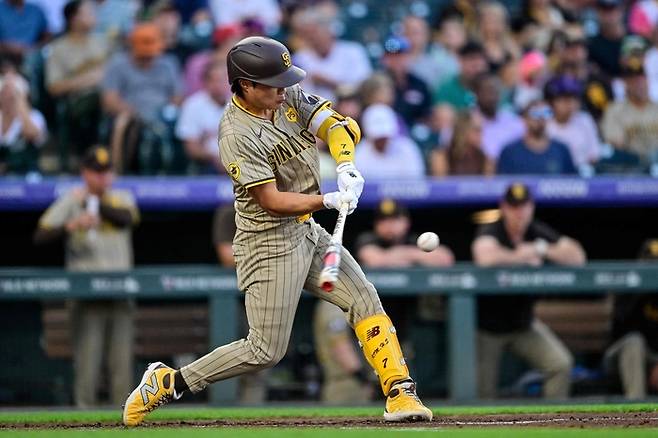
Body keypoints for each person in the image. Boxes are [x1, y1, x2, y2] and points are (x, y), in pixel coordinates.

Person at [123, 36, 433, 426]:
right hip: (267, 239)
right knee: (265, 350)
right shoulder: (235, 133)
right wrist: (328, 201)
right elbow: (270, 199)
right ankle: (170, 382)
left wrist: (346, 166)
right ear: (245, 85)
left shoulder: (284, 94)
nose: (282, 89)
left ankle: (400, 392)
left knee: (365, 299)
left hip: (306, 229)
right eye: (272, 82)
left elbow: (336, 125)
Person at [33, 146, 139, 407]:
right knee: (87, 364)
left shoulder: (120, 198)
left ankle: (124, 418)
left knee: (121, 365)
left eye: (106, 172)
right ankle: (83, 419)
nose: (102, 178)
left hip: (119, 291)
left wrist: (95, 204)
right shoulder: (71, 199)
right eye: (96, 172)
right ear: (84, 173)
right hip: (86, 294)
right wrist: (70, 225)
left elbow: (127, 219)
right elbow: (40, 236)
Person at [472, 182, 585, 399]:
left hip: (524, 324)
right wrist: (521, 257)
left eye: (523, 206)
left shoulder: (536, 231)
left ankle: (555, 423)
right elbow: (484, 256)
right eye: (514, 206)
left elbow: (577, 256)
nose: (519, 212)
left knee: (560, 364)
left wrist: (539, 248)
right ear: (503, 207)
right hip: (487, 328)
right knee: (481, 393)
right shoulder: (493, 228)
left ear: (531, 207)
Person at [46, 0, 110, 164]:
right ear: (73, 19)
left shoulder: (102, 43)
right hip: (76, 102)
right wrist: (89, 80)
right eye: (88, 13)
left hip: (108, 98)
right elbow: (53, 87)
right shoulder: (59, 48)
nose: (93, 16)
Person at [604, 238, 658, 400]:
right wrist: (640, 293)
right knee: (634, 342)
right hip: (621, 357)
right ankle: (636, 411)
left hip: (654, 358)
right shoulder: (629, 288)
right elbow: (619, 331)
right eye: (650, 264)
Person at [292, 7, 371, 104]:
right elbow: (297, 96)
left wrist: (329, 83)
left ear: (328, 30)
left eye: (314, 32)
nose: (311, 37)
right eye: (306, 34)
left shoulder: (353, 51)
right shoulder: (300, 58)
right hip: (313, 113)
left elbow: (364, 87)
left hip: (352, 109)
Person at [355, 199, 454, 269]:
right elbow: (377, 261)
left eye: (394, 219)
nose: (388, 225)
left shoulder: (414, 240)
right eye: (382, 220)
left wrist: (399, 256)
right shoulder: (368, 238)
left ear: (406, 222)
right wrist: (417, 257)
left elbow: (445, 259)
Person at [313, 299, 374, 404]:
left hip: (348, 382)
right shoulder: (333, 304)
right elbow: (340, 346)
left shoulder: (342, 302)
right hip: (345, 384)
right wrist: (363, 378)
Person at [601, 56, 658, 166]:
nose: (639, 83)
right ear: (626, 84)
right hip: (630, 168)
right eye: (633, 80)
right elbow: (616, 144)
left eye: (641, 78)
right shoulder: (615, 110)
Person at [497, 100, 577, 175]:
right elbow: (502, 184)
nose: (541, 118)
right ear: (524, 119)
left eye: (546, 113)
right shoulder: (509, 152)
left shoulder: (562, 150)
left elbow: (573, 183)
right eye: (535, 113)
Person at [175, 61, 229, 173]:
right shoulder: (193, 105)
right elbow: (191, 148)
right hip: (207, 164)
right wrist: (216, 158)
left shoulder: (242, 104)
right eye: (214, 80)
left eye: (223, 79)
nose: (219, 84)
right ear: (205, 82)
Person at [355, 104, 426, 179]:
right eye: (377, 138)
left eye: (385, 136)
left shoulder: (407, 148)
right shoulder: (359, 153)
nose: (381, 140)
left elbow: (416, 183)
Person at [544, 75, 601, 168]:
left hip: (580, 175)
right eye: (564, 99)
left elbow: (594, 156)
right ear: (551, 102)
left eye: (573, 98)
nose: (570, 104)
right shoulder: (544, 121)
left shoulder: (584, 120)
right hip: (550, 175)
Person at [380, 35, 432, 128]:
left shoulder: (419, 85)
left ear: (409, 57)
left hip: (414, 133)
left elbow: (427, 115)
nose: (396, 60)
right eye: (392, 56)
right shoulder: (377, 85)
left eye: (400, 55)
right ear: (384, 59)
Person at [0, 72, 47, 174]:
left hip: (26, 174)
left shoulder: (35, 116)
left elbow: (31, 134)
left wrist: (20, 100)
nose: (7, 97)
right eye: (3, 92)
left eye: (12, 93)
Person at [473, 73, 525, 161]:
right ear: (477, 93)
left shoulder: (513, 121)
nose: (492, 96)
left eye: (495, 91)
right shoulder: (467, 122)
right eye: (488, 91)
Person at [430, 110, 494, 177]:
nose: (481, 135)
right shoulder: (441, 157)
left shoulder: (486, 160)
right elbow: (440, 185)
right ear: (463, 130)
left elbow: (488, 185)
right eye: (477, 130)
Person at [433, 40, 488, 111]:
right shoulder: (446, 88)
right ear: (460, 60)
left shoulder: (492, 88)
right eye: (471, 58)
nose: (477, 64)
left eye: (481, 59)